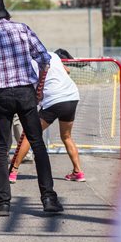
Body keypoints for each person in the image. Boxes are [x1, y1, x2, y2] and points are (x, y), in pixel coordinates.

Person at [0, 0, 63, 216]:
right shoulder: (22, 29)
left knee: (1, 149)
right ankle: (48, 199)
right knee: (37, 143)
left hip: (0, 95)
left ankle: (2, 203)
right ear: (4, 9)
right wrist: (39, 88)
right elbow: (44, 58)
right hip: (25, 92)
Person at [9, 50, 84, 183]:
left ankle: (13, 171)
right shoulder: (52, 54)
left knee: (29, 134)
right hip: (72, 96)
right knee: (66, 136)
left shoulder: (28, 62)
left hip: (54, 100)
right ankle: (78, 172)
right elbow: (67, 71)